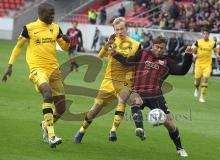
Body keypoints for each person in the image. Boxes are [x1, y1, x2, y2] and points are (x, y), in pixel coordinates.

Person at [109, 36, 192, 157]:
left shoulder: (167, 61)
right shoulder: (142, 54)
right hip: (139, 91)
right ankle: (140, 129)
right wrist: (115, 53)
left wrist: (188, 56)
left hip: (156, 96)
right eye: (157, 47)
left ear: (165, 48)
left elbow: (182, 70)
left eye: (162, 48)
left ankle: (180, 148)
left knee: (169, 124)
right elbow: (127, 62)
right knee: (135, 100)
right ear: (153, 46)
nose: (159, 50)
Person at [2, 3, 70, 148]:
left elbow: (63, 48)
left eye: (53, 14)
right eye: (50, 14)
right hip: (37, 69)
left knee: (62, 108)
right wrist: (10, 65)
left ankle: (45, 123)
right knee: (47, 94)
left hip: (54, 70)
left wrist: (67, 41)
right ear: (41, 14)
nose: (52, 16)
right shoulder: (29, 28)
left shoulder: (56, 27)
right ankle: (51, 136)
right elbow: (19, 46)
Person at [74, 17, 140, 143]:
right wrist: (106, 46)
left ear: (127, 29)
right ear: (114, 30)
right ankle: (82, 130)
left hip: (125, 80)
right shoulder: (112, 42)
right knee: (95, 109)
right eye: (117, 29)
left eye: (122, 29)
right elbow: (99, 57)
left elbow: (135, 63)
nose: (120, 31)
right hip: (109, 80)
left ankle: (113, 130)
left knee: (122, 100)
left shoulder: (136, 45)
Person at [192, 27, 217, 103]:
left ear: (209, 35)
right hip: (198, 64)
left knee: (205, 79)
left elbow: (216, 51)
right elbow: (193, 50)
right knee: (197, 80)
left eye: (207, 34)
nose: (205, 35)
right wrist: (194, 55)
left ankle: (202, 96)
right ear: (202, 34)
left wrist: (218, 55)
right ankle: (196, 88)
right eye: (204, 34)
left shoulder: (213, 43)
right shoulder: (198, 42)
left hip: (207, 65)